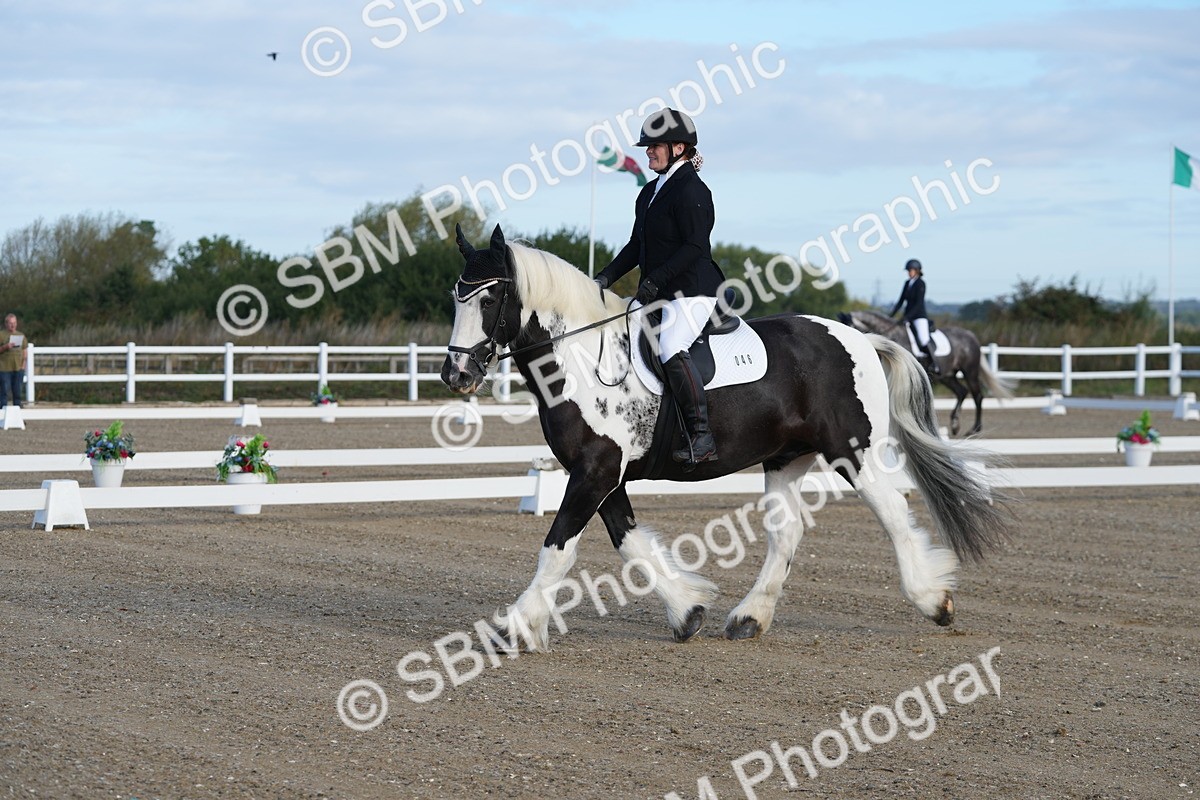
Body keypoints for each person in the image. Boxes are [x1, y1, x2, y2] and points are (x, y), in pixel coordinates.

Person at [593, 108, 724, 468]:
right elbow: (636, 245)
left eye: (654, 146)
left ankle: (701, 435)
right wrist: (603, 279)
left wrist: (655, 280)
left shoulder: (693, 190)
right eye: (647, 146)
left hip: (693, 291)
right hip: (659, 291)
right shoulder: (651, 191)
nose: (648, 151)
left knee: (670, 346)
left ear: (679, 148)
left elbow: (695, 247)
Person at [889, 259, 940, 375]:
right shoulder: (907, 283)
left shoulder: (921, 283)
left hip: (918, 316)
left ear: (917, 271)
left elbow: (918, 303)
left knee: (923, 338)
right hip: (907, 316)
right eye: (908, 270)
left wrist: (907, 317)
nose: (908, 273)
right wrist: (890, 316)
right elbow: (901, 301)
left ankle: (934, 363)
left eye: (910, 270)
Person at [0, 313, 28, 407]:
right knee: (4, 392)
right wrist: (5, 347)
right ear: (6, 324)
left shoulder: (21, 336)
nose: (13, 325)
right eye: (11, 323)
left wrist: (23, 366)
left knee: (17, 393)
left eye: (14, 323)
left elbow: (24, 351)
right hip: (4, 369)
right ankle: (2, 412)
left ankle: (18, 411)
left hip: (18, 369)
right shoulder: (1, 335)